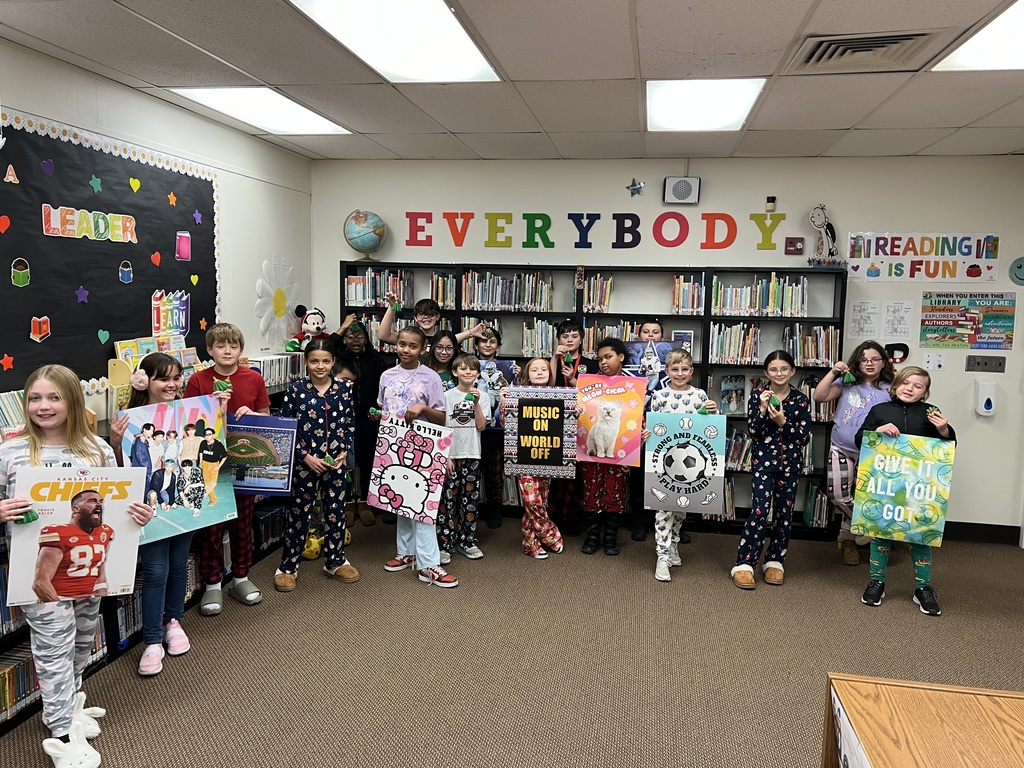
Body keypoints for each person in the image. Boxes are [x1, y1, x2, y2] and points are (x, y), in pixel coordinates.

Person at [0, 364, 153, 766]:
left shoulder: (97, 449)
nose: (44, 406)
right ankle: (62, 734)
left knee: (82, 641)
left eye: (54, 397)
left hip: (88, 573)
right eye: (35, 398)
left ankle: (70, 704)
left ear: (72, 400)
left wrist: (138, 515)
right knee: (53, 647)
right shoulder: (10, 452)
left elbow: (117, 506)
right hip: (41, 575)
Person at [111, 352, 192, 676]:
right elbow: (121, 469)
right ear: (144, 381)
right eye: (163, 378)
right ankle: (153, 638)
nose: (171, 384)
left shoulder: (186, 413)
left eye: (176, 377)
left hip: (179, 496)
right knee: (156, 570)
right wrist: (115, 442)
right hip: (146, 505)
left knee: (178, 564)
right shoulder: (129, 421)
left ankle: (174, 621)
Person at [184, 322, 271, 616]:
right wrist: (215, 412)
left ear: (240, 350)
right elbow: (190, 424)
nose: (227, 351)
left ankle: (241, 577)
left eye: (233, 346)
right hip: (211, 465)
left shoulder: (253, 378)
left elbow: (266, 415)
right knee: (212, 525)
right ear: (209, 350)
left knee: (242, 523)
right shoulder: (198, 380)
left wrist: (253, 414)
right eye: (220, 346)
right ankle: (212, 583)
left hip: (243, 462)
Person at [855, 366, 955, 616]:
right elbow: (860, 440)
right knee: (881, 534)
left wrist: (944, 429)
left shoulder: (931, 412)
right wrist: (876, 431)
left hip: (919, 487)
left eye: (918, 386)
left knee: (920, 536)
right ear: (896, 384)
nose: (910, 389)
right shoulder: (880, 410)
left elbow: (947, 448)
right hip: (885, 485)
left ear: (925, 392)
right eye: (905, 383)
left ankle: (923, 588)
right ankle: (876, 581)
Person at [375, 326, 458, 587]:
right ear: (396, 345)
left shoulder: (430, 377)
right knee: (400, 500)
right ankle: (406, 551)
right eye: (402, 344)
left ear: (423, 349)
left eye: (413, 346)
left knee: (423, 505)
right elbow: (383, 408)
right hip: (393, 444)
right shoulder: (387, 375)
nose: (406, 350)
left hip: (423, 447)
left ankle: (428, 564)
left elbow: (441, 417)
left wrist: (422, 407)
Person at [274, 340, 358, 592]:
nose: (320, 366)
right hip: (306, 465)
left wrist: (343, 452)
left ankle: (335, 561)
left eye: (325, 361)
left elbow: (349, 424)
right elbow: (287, 429)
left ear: (333, 362)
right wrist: (305, 456)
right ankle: (288, 566)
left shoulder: (344, 389)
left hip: (335, 465)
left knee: (336, 512)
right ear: (306, 362)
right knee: (300, 514)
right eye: (314, 361)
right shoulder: (295, 390)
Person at [730, 350, 811, 590]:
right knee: (759, 511)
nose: (779, 373)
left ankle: (775, 560)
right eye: (774, 369)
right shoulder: (757, 396)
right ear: (766, 372)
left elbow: (804, 437)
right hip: (763, 463)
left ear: (792, 371)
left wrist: (783, 423)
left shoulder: (801, 400)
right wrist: (763, 410)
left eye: (784, 369)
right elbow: (754, 432)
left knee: (784, 514)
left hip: (790, 465)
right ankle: (745, 563)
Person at [812, 341, 896, 565]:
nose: (869, 363)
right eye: (863, 359)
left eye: (874, 359)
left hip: (873, 451)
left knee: (865, 496)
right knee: (838, 496)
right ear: (857, 362)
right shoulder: (847, 382)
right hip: (841, 447)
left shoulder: (892, 388)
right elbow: (819, 396)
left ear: (883, 362)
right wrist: (833, 372)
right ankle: (869, 527)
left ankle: (849, 540)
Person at [642, 349, 718, 581]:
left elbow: (709, 429)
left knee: (681, 508)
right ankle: (662, 556)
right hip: (664, 464)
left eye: (684, 369)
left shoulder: (700, 396)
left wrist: (714, 413)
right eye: (674, 369)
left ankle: (673, 543)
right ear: (666, 371)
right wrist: (647, 434)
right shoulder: (659, 396)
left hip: (691, 466)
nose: (680, 373)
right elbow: (653, 426)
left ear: (691, 371)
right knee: (663, 509)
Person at [503, 357, 565, 559]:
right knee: (531, 502)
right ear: (527, 375)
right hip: (523, 457)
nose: (539, 373)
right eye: (534, 370)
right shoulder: (518, 393)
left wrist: (575, 412)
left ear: (550, 374)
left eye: (543, 370)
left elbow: (566, 427)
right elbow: (505, 424)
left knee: (540, 501)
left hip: (548, 456)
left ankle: (529, 544)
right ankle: (550, 535)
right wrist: (504, 404)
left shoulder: (558, 395)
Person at [329, 316, 388, 526]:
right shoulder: (338, 358)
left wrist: (379, 411)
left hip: (368, 418)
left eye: (360, 336)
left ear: (367, 338)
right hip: (340, 419)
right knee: (344, 460)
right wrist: (344, 325)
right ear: (344, 339)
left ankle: (364, 502)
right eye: (350, 336)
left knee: (367, 460)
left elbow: (384, 388)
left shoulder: (375, 358)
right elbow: (325, 347)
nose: (355, 340)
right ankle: (346, 503)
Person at [578, 337, 634, 557]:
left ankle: (611, 537)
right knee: (591, 489)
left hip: (619, 453)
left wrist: (632, 455)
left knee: (616, 491)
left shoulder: (633, 386)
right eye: (600, 358)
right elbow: (582, 414)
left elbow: (637, 420)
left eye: (608, 357)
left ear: (620, 357)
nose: (603, 362)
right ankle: (592, 535)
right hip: (590, 452)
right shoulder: (588, 383)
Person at [436, 353, 489, 561]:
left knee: (470, 501)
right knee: (447, 501)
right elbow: (440, 428)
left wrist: (476, 403)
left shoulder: (483, 396)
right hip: (451, 455)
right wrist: (445, 456)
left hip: (472, 454)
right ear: (455, 372)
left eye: (472, 369)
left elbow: (481, 426)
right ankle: (444, 544)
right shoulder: (446, 396)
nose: (468, 372)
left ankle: (467, 541)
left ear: (478, 373)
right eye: (463, 368)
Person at [548, 318, 596, 537]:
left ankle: (572, 517)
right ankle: (554, 516)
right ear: (559, 339)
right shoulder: (553, 360)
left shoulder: (590, 364)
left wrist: (573, 378)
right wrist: (553, 358)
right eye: (565, 336)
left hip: (582, 422)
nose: (569, 340)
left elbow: (595, 393)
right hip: (556, 421)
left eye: (574, 336)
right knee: (557, 470)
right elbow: (548, 385)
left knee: (576, 473)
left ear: (581, 339)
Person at [472, 328, 517, 529]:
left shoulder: (506, 369)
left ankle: (495, 507)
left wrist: (516, 378)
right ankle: (470, 506)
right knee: (472, 468)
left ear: (498, 346)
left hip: (495, 428)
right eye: (483, 341)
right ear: (476, 345)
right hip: (471, 425)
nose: (488, 345)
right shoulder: (468, 366)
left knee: (495, 470)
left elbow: (511, 392)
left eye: (492, 342)